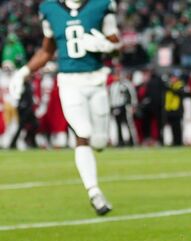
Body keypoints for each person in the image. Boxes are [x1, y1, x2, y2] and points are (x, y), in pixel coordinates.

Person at [8, 0, 121, 215]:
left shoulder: (101, 5)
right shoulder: (50, 9)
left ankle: (95, 181)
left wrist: (109, 47)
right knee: (83, 132)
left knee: (98, 141)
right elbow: (46, 51)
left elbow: (117, 47)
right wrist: (23, 72)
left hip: (96, 81)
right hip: (69, 82)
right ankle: (94, 192)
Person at [108, 70, 137, 147]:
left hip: (124, 107)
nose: (115, 77)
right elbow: (110, 98)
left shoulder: (126, 84)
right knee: (118, 125)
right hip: (115, 107)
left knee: (128, 124)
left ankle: (132, 141)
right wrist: (111, 107)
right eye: (114, 76)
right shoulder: (112, 86)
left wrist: (133, 105)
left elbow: (132, 95)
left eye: (117, 75)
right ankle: (120, 141)